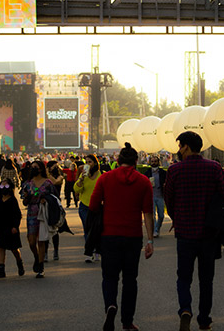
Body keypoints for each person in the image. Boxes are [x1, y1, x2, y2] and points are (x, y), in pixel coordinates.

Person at [164, 131, 224, 331]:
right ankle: (204, 319)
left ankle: (185, 309)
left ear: (185, 146)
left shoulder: (175, 171)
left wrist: (177, 217)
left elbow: (169, 199)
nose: (178, 150)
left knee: (183, 277)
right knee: (206, 279)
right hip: (208, 233)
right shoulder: (214, 167)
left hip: (185, 233)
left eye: (180, 146)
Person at [90, 142, 154, 331]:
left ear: (117, 161)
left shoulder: (105, 178)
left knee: (109, 277)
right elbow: (148, 213)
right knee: (130, 280)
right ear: (136, 161)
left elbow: (93, 205)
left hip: (109, 235)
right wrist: (150, 240)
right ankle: (127, 322)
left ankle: (110, 305)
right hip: (133, 237)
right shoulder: (143, 182)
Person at [21, 160, 56, 278]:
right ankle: (36, 257)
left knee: (41, 240)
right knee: (31, 242)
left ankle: (41, 266)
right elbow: (24, 202)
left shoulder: (47, 183)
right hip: (31, 213)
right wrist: (26, 198)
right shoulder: (27, 183)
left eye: (36, 167)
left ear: (41, 169)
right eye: (32, 167)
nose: (33, 169)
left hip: (43, 213)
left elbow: (53, 198)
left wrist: (46, 200)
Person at [0, 178, 25, 278]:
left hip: (11, 228)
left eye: (6, 186)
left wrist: (15, 226)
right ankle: (1, 269)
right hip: (2, 227)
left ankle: (19, 263)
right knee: (1, 247)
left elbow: (17, 214)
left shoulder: (12, 200)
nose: (3, 188)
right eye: (2, 186)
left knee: (14, 249)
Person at [74, 154, 102, 262]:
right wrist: (81, 179)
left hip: (98, 206)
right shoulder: (83, 175)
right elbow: (76, 189)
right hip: (85, 207)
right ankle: (89, 252)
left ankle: (97, 251)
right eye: (86, 162)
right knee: (88, 229)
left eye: (90, 162)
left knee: (98, 230)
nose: (88, 164)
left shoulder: (101, 175)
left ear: (95, 163)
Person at [45, 160, 65, 261]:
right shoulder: (45, 177)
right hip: (45, 203)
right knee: (44, 228)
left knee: (54, 228)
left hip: (56, 203)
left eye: (57, 166)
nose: (56, 168)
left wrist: (48, 174)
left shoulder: (60, 176)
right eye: (53, 166)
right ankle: (44, 252)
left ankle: (56, 250)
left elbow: (55, 182)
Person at [143, 155, 166, 238]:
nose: (154, 163)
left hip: (160, 196)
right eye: (152, 161)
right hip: (151, 196)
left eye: (155, 161)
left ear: (158, 162)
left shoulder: (163, 173)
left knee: (161, 215)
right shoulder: (147, 173)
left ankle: (157, 228)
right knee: (152, 215)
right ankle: (155, 230)